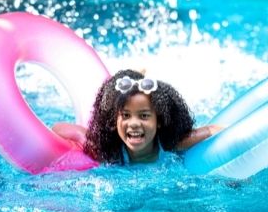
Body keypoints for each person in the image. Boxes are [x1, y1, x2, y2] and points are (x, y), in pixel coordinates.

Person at [52, 69, 222, 165]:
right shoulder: (107, 153)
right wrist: (86, 137)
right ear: (113, 121)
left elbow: (212, 130)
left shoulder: (172, 144)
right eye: (125, 115)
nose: (134, 123)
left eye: (144, 116)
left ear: (160, 121)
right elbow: (58, 128)